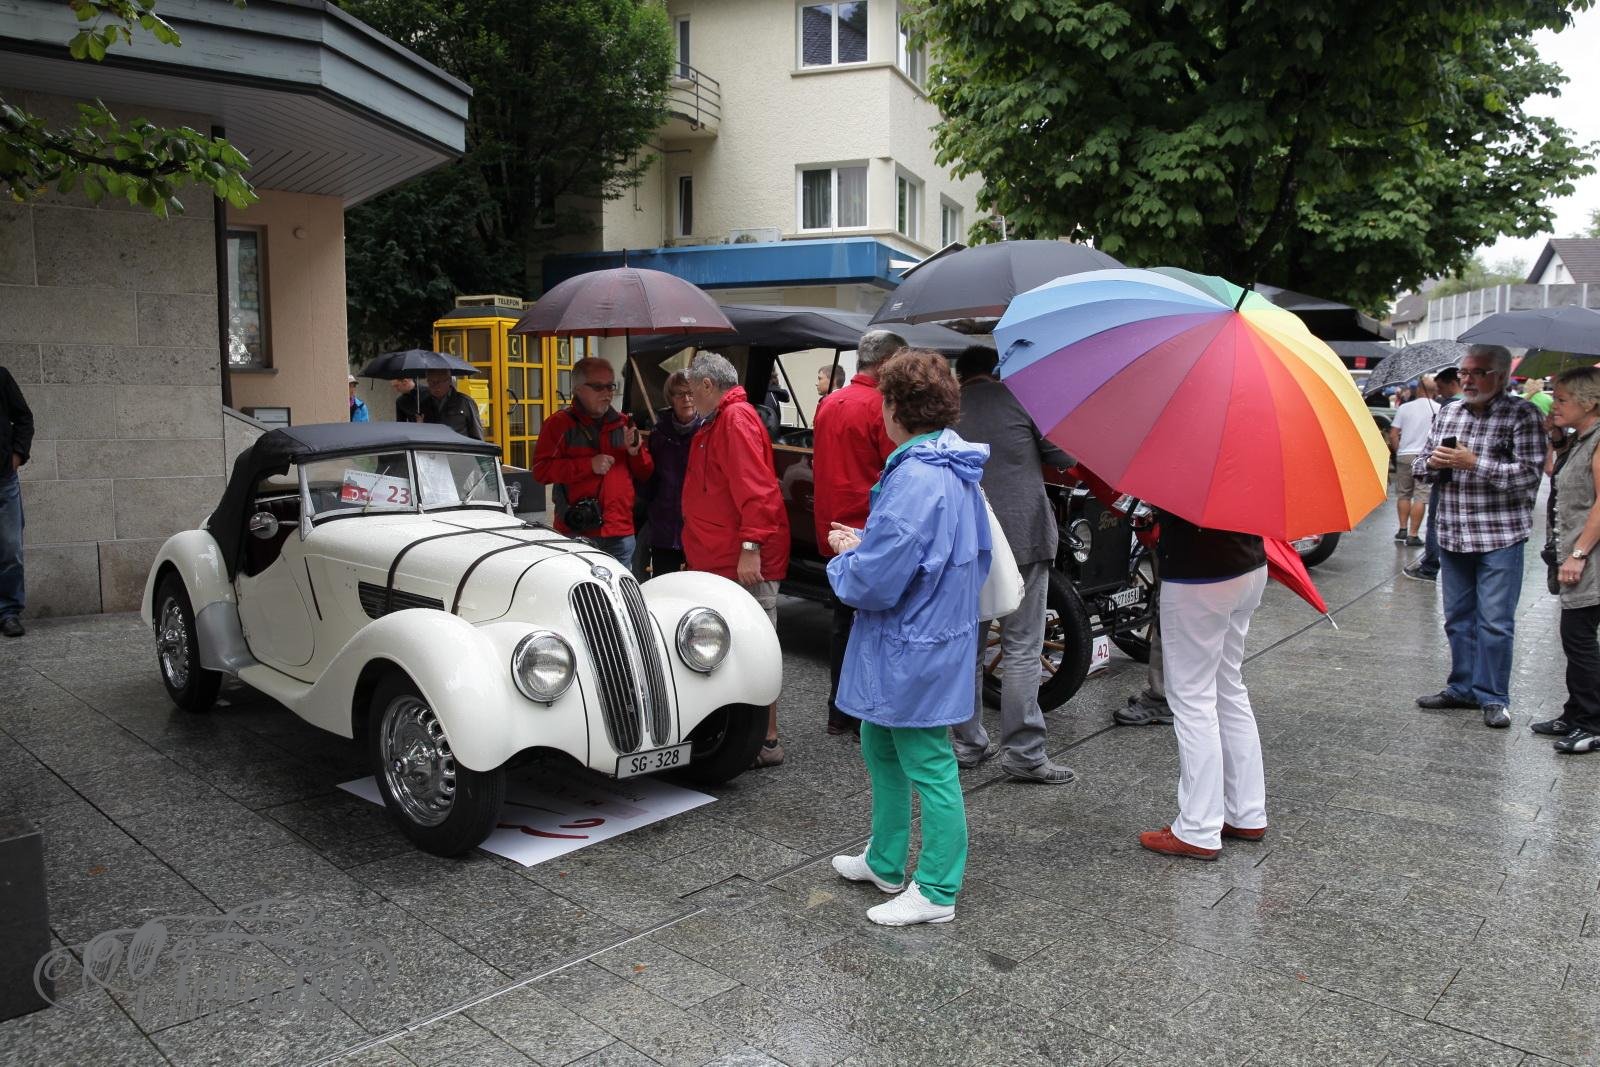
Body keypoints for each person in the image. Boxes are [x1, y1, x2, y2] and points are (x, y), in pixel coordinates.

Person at [826, 350, 990, 925]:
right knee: (882, 740)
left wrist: (846, 557)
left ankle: (938, 890)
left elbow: (875, 581)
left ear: (894, 407)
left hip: (911, 640)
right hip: (931, 633)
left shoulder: (916, 475)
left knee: (927, 759)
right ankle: (886, 860)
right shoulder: (952, 464)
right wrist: (867, 548)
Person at [947, 345, 1078, 782]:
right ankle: (1024, 753)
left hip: (969, 539)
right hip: (1023, 535)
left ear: (961, 375)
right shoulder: (1022, 398)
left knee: (968, 646)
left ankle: (967, 743)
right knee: (1022, 646)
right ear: (995, 370)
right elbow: (1065, 458)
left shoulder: (947, 409)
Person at [1411, 345, 1546, 729]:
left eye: (1477, 372)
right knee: (1457, 618)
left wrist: (1475, 463)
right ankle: (1462, 688)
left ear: (1501, 376)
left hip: (1499, 535)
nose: (1468, 379)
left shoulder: (1523, 414)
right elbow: (1420, 464)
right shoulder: (1449, 411)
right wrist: (1433, 463)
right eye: (1464, 372)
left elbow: (1529, 477)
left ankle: (1493, 697)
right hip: (1453, 533)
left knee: (1495, 622)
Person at [1138, 512, 1269, 860]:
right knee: (1228, 687)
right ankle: (1246, 811)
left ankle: (1198, 828)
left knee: (1192, 698)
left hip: (1198, 571)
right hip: (1249, 561)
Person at [681, 352, 790, 767]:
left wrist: (750, 547)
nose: (690, 398)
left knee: (757, 648)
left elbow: (758, 490)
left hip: (740, 561)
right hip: (723, 558)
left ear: (708, 385)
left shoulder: (734, 419)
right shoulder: (722, 420)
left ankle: (767, 740)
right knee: (739, 647)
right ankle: (751, 736)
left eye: (692, 390)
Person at [813, 329, 905, 735]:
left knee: (842, 622)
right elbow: (895, 469)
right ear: (886, 363)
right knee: (870, 626)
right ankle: (863, 714)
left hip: (831, 526)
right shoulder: (878, 407)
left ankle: (839, 712)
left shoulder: (828, 403)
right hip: (865, 527)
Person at [1533, 367, 1600, 753]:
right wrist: (1557, 437)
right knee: (1574, 637)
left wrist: (1578, 554)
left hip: (1591, 557)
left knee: (1579, 638)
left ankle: (1591, 723)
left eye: (1561, 400)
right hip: (1577, 553)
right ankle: (1574, 714)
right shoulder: (1581, 438)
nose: (1553, 405)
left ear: (1588, 403)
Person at [532, 357, 653, 565]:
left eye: (610, 386)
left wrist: (636, 453)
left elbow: (646, 473)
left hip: (620, 531)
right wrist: (588, 465)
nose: (607, 393)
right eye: (598, 387)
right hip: (577, 531)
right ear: (577, 389)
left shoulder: (624, 423)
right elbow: (541, 471)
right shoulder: (559, 424)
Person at [1404, 367, 1463, 583]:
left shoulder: (1450, 407)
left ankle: (1430, 565)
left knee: (1434, 517)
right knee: (1422, 499)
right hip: (1438, 468)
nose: (1439, 392)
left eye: (1441, 387)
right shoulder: (1452, 406)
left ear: (1452, 384)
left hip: (1443, 472)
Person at [641, 371, 702, 576]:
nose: (687, 399)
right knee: (665, 584)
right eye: (679, 394)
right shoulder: (659, 433)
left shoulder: (707, 431)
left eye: (691, 393)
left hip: (698, 528)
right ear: (671, 399)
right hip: (664, 527)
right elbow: (650, 481)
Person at [0, 364, 33, 638]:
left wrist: (18, 454)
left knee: (10, 548)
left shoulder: (1, 377)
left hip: (3, 478)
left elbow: (24, 418)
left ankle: (8, 612)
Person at [1388, 375, 1439, 546]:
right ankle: (1413, 534)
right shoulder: (1438, 409)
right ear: (1434, 391)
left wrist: (1399, 451)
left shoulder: (1404, 408)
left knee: (1404, 494)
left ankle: (1402, 529)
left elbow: (1393, 434)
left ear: (1418, 389)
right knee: (1420, 496)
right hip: (1425, 457)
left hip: (1404, 455)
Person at [417, 369, 485, 440]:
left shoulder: (464, 402)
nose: (435, 386)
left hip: (458, 445)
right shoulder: (424, 404)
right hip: (434, 445)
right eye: (431, 382)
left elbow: (477, 434)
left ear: (449, 381)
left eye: (439, 382)